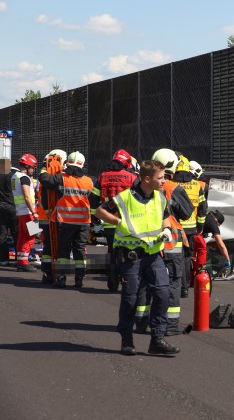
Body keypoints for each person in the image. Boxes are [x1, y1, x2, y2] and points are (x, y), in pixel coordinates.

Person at [94, 159, 180, 356]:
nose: (164, 180)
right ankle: (127, 339)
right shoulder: (126, 197)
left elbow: (165, 215)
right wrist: (119, 222)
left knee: (162, 292)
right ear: (147, 179)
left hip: (154, 254)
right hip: (132, 256)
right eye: (160, 177)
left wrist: (166, 229)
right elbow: (100, 211)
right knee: (130, 298)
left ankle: (157, 339)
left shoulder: (160, 197)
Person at [148, 149, 193, 336]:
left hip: (149, 243)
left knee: (149, 284)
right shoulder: (173, 188)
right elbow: (187, 212)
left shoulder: (141, 184)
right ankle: (171, 326)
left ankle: (144, 322)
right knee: (173, 284)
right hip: (171, 244)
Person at [39, 151, 93, 288]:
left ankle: (61, 277)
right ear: (82, 164)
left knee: (63, 250)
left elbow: (45, 179)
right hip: (84, 222)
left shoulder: (62, 178)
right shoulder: (88, 181)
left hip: (66, 221)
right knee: (79, 250)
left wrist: (45, 168)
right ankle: (79, 279)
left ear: (67, 162)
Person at [90, 149, 138, 292]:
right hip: (127, 224)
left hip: (108, 222)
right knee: (129, 253)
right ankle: (128, 282)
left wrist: (95, 217)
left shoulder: (102, 177)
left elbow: (93, 199)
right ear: (127, 163)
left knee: (112, 253)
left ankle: (112, 284)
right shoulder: (132, 178)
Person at [173, 155, 207, 297]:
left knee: (174, 257)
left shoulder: (172, 184)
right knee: (187, 257)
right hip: (191, 228)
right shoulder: (197, 185)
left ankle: (176, 285)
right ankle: (185, 288)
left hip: (175, 227)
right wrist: (200, 225)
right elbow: (203, 208)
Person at [37, 149, 67, 284]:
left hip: (45, 216)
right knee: (59, 246)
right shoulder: (60, 176)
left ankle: (47, 273)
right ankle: (59, 274)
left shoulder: (44, 175)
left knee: (48, 247)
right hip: (55, 217)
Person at [12, 154, 39, 272]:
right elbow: (27, 196)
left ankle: (20, 261)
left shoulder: (14, 176)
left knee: (22, 237)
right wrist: (34, 212)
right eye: (33, 167)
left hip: (20, 212)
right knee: (30, 237)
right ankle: (24, 263)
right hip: (28, 213)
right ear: (27, 166)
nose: (33, 170)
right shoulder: (24, 178)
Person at [0, 162, 18, 266]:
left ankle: (3, 259)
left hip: (1, 207)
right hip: (13, 207)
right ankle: (18, 258)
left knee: (2, 234)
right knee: (16, 233)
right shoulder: (13, 176)